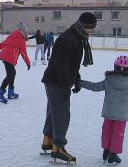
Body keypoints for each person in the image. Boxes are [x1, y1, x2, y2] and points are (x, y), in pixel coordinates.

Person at [41, 12, 96, 164]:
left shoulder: (77, 36)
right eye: (91, 28)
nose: (93, 31)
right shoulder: (70, 38)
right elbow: (60, 63)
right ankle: (58, 148)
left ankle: (48, 140)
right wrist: (66, 84)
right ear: (85, 27)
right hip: (56, 81)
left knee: (54, 111)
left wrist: (76, 79)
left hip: (54, 80)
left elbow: (72, 64)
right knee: (62, 114)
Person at [80, 55, 128, 164]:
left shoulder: (109, 80)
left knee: (107, 132)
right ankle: (113, 154)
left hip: (108, 114)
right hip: (121, 117)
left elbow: (94, 87)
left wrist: (80, 82)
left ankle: (106, 151)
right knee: (118, 134)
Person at [0, 23, 31, 104]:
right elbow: (24, 53)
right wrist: (28, 63)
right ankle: (0, 93)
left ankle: (11, 92)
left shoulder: (11, 36)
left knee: (12, 73)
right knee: (10, 75)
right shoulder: (21, 40)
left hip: (4, 56)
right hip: (10, 57)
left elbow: (1, 45)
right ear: (24, 31)